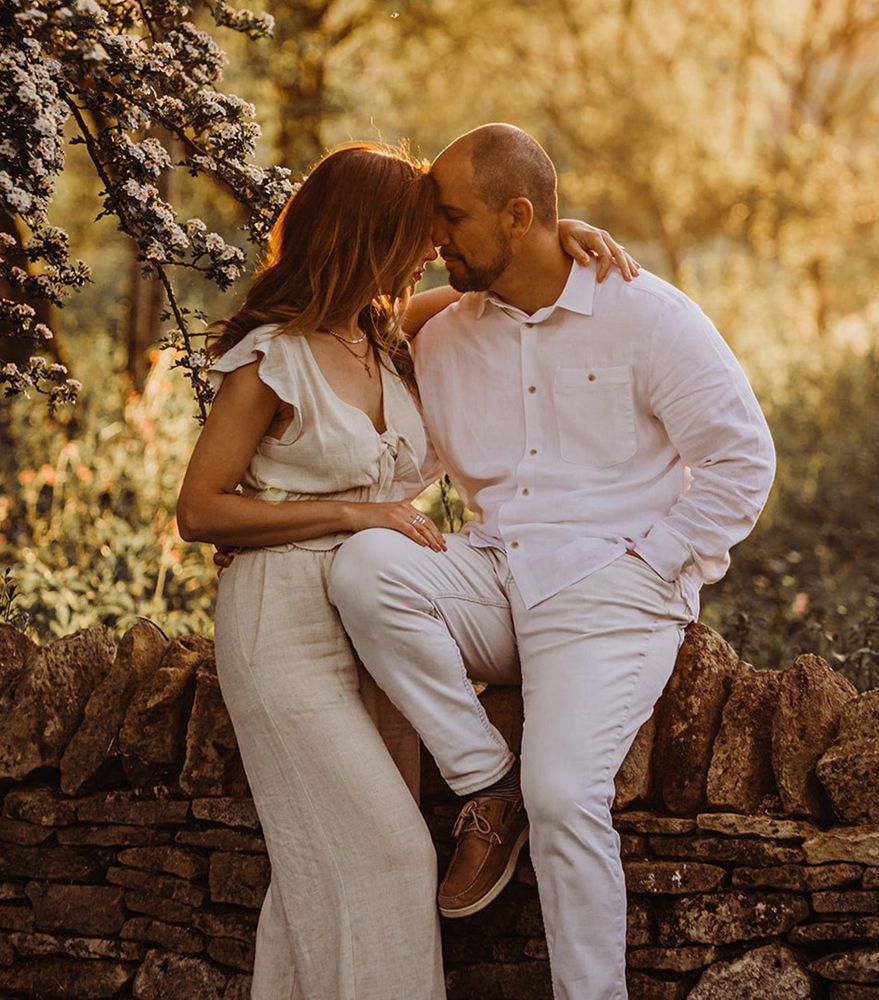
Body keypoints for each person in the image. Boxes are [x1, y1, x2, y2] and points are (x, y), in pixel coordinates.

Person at [176, 140, 635, 1000]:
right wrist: (352, 514)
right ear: (367, 234)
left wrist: (560, 230)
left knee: (321, 869)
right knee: (388, 854)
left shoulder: (386, 336)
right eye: (421, 232)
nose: (435, 246)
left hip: (375, 621)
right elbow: (199, 509)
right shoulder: (272, 357)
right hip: (286, 627)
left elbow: (505, 271)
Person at [327, 124, 777, 1000]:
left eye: (451, 218)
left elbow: (741, 459)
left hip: (611, 589)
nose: (435, 239)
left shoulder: (647, 315)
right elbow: (357, 357)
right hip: (495, 574)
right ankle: (485, 782)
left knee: (566, 794)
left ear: (518, 215)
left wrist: (654, 565)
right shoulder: (444, 335)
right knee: (365, 568)